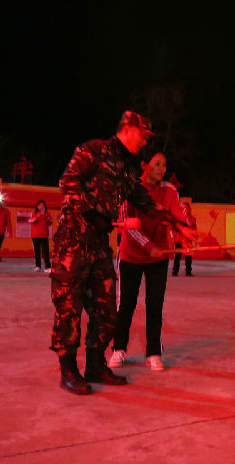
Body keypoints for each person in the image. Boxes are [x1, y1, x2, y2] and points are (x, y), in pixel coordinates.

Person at [50, 111, 193, 395]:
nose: (145, 142)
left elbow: (143, 200)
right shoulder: (93, 150)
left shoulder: (126, 168)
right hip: (73, 242)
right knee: (69, 309)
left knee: (105, 310)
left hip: (100, 246)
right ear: (127, 129)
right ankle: (68, 372)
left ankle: (95, 366)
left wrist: (177, 225)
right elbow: (68, 182)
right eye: (143, 135)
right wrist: (91, 214)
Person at [111, 152, 189, 372]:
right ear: (144, 165)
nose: (161, 168)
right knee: (126, 304)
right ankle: (119, 348)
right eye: (157, 164)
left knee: (155, 304)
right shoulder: (131, 189)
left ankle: (153, 352)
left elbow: (177, 216)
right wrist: (149, 247)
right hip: (131, 256)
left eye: (164, 164)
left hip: (159, 257)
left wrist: (184, 234)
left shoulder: (169, 191)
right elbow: (128, 225)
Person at [172, 202, 197, 277]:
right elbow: (175, 229)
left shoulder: (192, 218)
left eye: (186, 208)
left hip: (188, 240)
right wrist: (174, 238)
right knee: (177, 256)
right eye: (183, 208)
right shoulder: (178, 218)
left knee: (188, 256)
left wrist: (194, 237)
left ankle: (188, 272)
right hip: (179, 239)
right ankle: (175, 271)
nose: (185, 209)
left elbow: (194, 229)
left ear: (189, 209)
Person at [29, 200, 53, 273]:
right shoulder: (34, 214)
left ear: (45, 207)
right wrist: (37, 216)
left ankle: (48, 267)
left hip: (44, 235)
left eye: (43, 206)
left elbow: (50, 223)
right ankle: (38, 266)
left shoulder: (47, 214)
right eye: (40, 206)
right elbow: (30, 221)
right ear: (37, 206)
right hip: (35, 235)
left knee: (45, 251)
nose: (41, 207)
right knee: (37, 252)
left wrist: (48, 220)